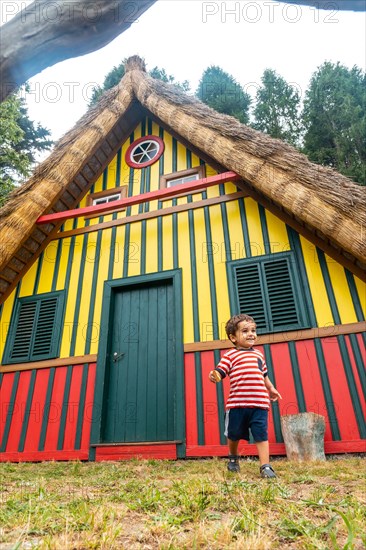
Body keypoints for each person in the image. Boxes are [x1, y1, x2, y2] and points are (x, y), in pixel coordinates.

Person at [209, 313, 282, 477]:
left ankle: (265, 466)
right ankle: (233, 458)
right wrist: (215, 375)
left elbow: (263, 374)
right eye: (245, 331)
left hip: (259, 404)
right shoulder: (230, 355)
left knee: (261, 435)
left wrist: (271, 388)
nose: (251, 334)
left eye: (253, 330)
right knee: (233, 434)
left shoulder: (258, 355)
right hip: (237, 405)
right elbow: (221, 371)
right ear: (233, 337)